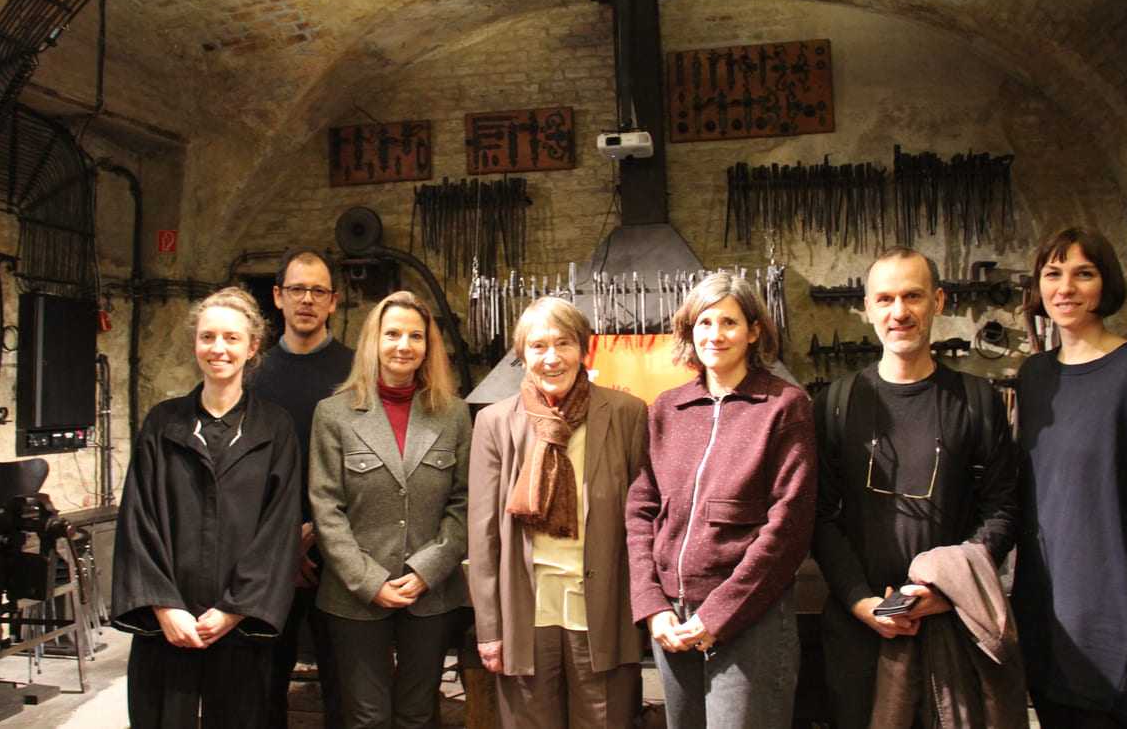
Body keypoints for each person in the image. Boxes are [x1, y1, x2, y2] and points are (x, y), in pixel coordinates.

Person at [811, 246, 1020, 727]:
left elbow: (1003, 509)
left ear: (939, 302)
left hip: (952, 623)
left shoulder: (977, 401)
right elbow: (819, 514)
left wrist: (949, 591)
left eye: (913, 296)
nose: (899, 312)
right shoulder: (836, 404)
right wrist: (862, 602)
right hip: (860, 630)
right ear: (867, 307)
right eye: (884, 299)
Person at [626, 272, 817, 728]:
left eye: (729, 322)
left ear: (753, 331)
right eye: (704, 322)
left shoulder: (784, 405)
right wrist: (652, 606)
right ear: (690, 331)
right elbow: (640, 510)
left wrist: (719, 612)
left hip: (751, 619)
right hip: (673, 620)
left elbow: (789, 526)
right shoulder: (668, 408)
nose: (715, 335)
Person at [112, 287, 301, 728]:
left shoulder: (275, 429)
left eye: (232, 338)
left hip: (239, 625)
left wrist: (235, 608)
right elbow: (138, 521)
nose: (218, 349)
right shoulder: (163, 424)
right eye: (208, 337)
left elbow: (279, 529)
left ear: (253, 347)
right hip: (169, 627)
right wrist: (164, 607)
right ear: (195, 342)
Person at [468, 296, 647, 728]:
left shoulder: (626, 414)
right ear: (521, 355)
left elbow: (646, 524)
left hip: (605, 612)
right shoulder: (495, 423)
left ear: (583, 348)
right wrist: (490, 628)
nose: (552, 358)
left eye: (564, 343)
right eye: (537, 346)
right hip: (525, 615)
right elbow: (483, 534)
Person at [308, 291, 470, 729]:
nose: (404, 345)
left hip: (430, 593)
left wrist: (426, 570)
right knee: (367, 716)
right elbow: (326, 508)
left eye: (415, 336)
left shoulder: (453, 414)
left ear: (427, 346)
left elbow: (464, 503)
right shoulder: (334, 414)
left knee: (419, 714)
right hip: (354, 594)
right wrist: (369, 580)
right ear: (373, 341)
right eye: (393, 333)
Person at [1014, 226, 1127, 728]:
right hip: (1046, 609)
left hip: (1116, 610)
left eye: (1082, 273)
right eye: (1053, 273)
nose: (1065, 287)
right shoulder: (1034, 375)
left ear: (1105, 283)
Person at [251, 248, 353, 727]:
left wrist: (319, 531)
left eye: (317, 291)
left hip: (345, 553)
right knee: (265, 686)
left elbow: (367, 466)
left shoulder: (359, 374)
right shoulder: (253, 375)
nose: (306, 300)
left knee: (347, 689)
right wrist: (284, 538)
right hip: (268, 556)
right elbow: (245, 473)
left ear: (333, 301)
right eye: (297, 289)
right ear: (278, 297)